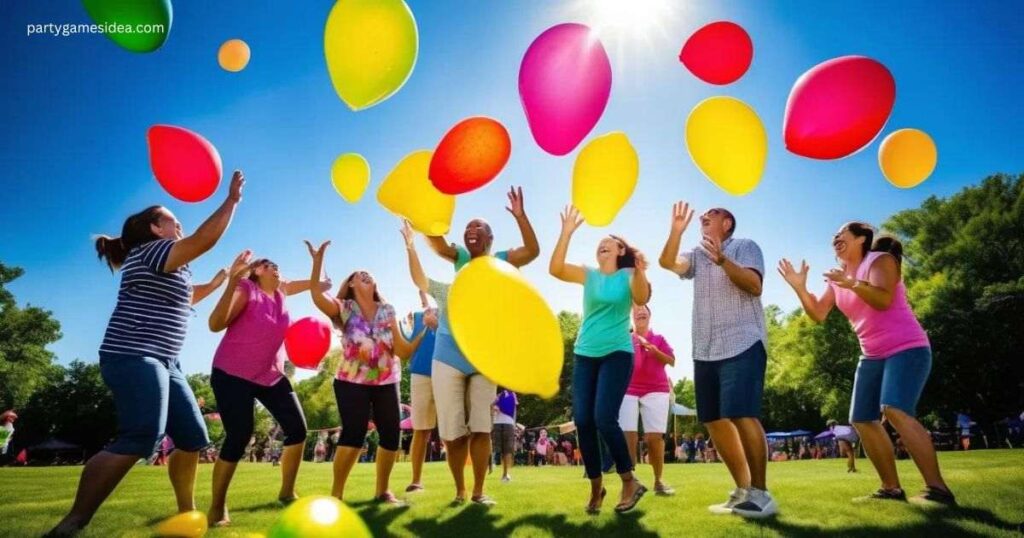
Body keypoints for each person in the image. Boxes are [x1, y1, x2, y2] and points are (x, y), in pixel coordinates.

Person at [48, 171, 245, 536]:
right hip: (134, 355)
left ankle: (185, 512)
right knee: (141, 435)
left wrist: (221, 282)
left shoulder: (170, 264)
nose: (178, 221)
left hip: (166, 361)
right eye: (171, 218)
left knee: (192, 436)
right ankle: (73, 522)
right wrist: (231, 200)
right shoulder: (152, 251)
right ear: (155, 228)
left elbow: (186, 298)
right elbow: (204, 239)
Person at [778, 221, 956, 506]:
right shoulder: (837, 278)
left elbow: (883, 300)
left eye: (842, 234)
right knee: (861, 418)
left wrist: (853, 284)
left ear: (862, 239)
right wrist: (800, 288)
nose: (835, 238)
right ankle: (891, 487)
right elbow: (818, 314)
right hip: (871, 354)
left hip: (907, 347)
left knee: (894, 410)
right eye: (833, 236)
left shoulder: (879, 260)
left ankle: (937, 489)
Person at [658, 202, 776, 518]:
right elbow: (667, 261)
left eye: (712, 213)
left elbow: (754, 286)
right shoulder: (696, 255)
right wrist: (676, 231)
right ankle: (743, 491)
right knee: (712, 419)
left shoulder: (745, 246)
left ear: (727, 223)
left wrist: (723, 260)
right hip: (705, 349)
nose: (703, 217)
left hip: (743, 341)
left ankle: (762, 494)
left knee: (741, 413)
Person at [403, 218, 526, 507]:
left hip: (483, 361)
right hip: (447, 360)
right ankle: (460, 489)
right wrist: (410, 245)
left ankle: (478, 491)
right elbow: (420, 279)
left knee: (482, 427)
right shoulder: (448, 291)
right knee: (453, 433)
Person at [204, 253, 329, 526]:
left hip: (269, 373)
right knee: (239, 435)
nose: (277, 269)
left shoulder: (282, 292)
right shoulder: (246, 289)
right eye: (271, 265)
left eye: (278, 266)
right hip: (232, 371)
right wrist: (233, 281)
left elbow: (314, 284)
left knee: (297, 429)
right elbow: (215, 324)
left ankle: (287, 491)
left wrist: (318, 260)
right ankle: (217, 506)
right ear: (257, 271)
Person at [305, 240, 424, 505]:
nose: (366, 274)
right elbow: (316, 295)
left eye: (368, 273)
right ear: (350, 284)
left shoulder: (388, 310)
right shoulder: (344, 308)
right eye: (359, 274)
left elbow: (403, 352)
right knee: (354, 434)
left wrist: (424, 330)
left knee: (392, 435)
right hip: (351, 381)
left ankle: (382, 491)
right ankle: (336, 494)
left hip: (386, 380)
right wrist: (317, 263)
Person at [550, 205, 651, 514]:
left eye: (608, 242)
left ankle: (629, 480)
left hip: (618, 353)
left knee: (604, 417)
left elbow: (643, 298)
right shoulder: (589, 274)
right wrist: (566, 233)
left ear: (621, 249)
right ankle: (596, 488)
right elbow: (555, 269)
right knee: (583, 420)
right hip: (585, 354)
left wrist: (639, 267)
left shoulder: (630, 275)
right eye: (598, 245)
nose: (601, 246)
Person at [619, 304, 677, 496]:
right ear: (632, 317)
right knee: (629, 434)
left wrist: (654, 351)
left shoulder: (659, 339)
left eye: (643, 310)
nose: (640, 312)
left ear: (649, 316)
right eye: (635, 311)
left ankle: (658, 481)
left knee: (654, 438)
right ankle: (629, 482)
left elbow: (672, 360)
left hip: (656, 389)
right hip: (628, 388)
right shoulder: (626, 338)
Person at [405, 291, 439, 493]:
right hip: (421, 375)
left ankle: (461, 486)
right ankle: (416, 480)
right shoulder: (417, 317)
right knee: (422, 429)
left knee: (455, 429)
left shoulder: (452, 315)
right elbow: (408, 344)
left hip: (447, 373)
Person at [492, 387, 518, 482]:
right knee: (496, 447)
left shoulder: (512, 395)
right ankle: (492, 463)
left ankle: (505, 473)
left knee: (507, 450)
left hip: (508, 423)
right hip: (498, 423)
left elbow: (513, 410)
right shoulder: (498, 395)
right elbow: (491, 407)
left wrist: (514, 425)